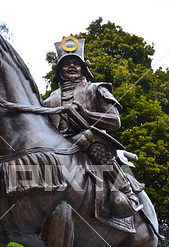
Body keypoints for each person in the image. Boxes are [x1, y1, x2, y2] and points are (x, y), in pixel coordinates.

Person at [43, 36, 143, 218]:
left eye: (76, 63)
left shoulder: (96, 89)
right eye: (67, 64)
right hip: (57, 145)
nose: (72, 66)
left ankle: (127, 192)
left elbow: (115, 121)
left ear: (83, 68)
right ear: (59, 71)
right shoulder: (49, 100)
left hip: (89, 141)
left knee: (90, 141)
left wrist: (87, 115)